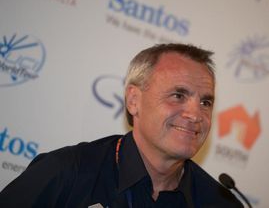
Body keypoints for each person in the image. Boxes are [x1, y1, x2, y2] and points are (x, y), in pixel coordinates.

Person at [0, 43, 243, 208]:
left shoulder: (221, 203)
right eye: (178, 95)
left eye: (206, 102)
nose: (196, 114)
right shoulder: (65, 173)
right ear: (133, 101)